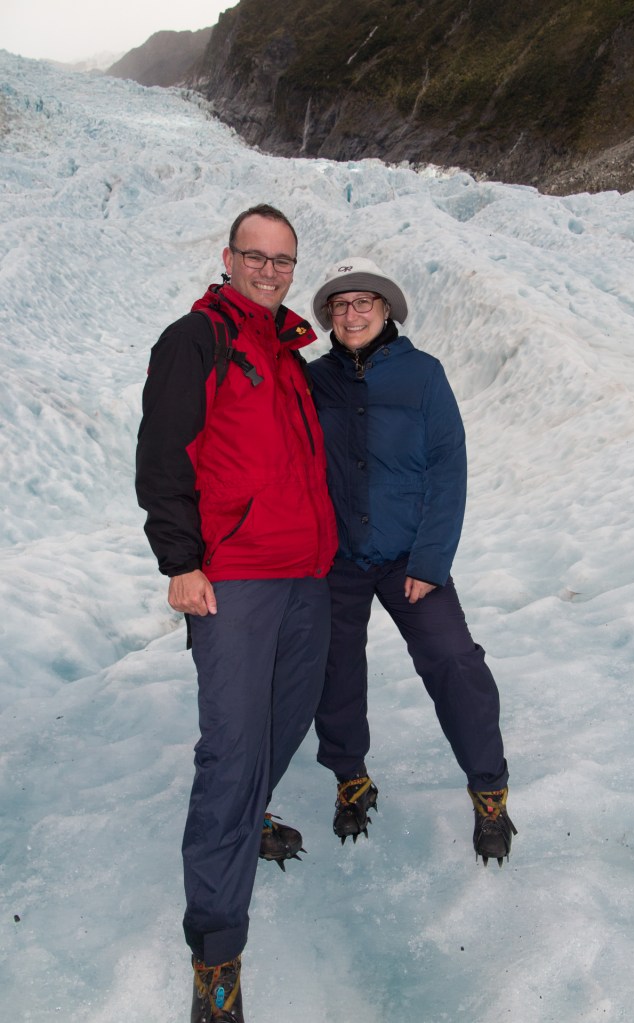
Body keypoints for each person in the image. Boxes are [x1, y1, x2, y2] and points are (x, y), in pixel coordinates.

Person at [135, 205, 338, 1023]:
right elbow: (162, 455)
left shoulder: (285, 350)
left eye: (282, 259)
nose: (268, 269)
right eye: (255, 255)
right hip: (237, 577)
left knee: (288, 714)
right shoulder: (196, 340)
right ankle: (216, 950)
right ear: (227, 258)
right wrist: (180, 561)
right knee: (231, 746)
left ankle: (247, 815)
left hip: (305, 574)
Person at [307, 257, 517, 869]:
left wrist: (430, 560)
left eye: (363, 302)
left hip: (410, 557)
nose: (351, 314)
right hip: (337, 559)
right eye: (340, 305)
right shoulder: (313, 380)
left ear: (386, 309)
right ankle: (351, 777)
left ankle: (489, 790)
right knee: (334, 671)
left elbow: (449, 468)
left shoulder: (424, 375)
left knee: (455, 661)